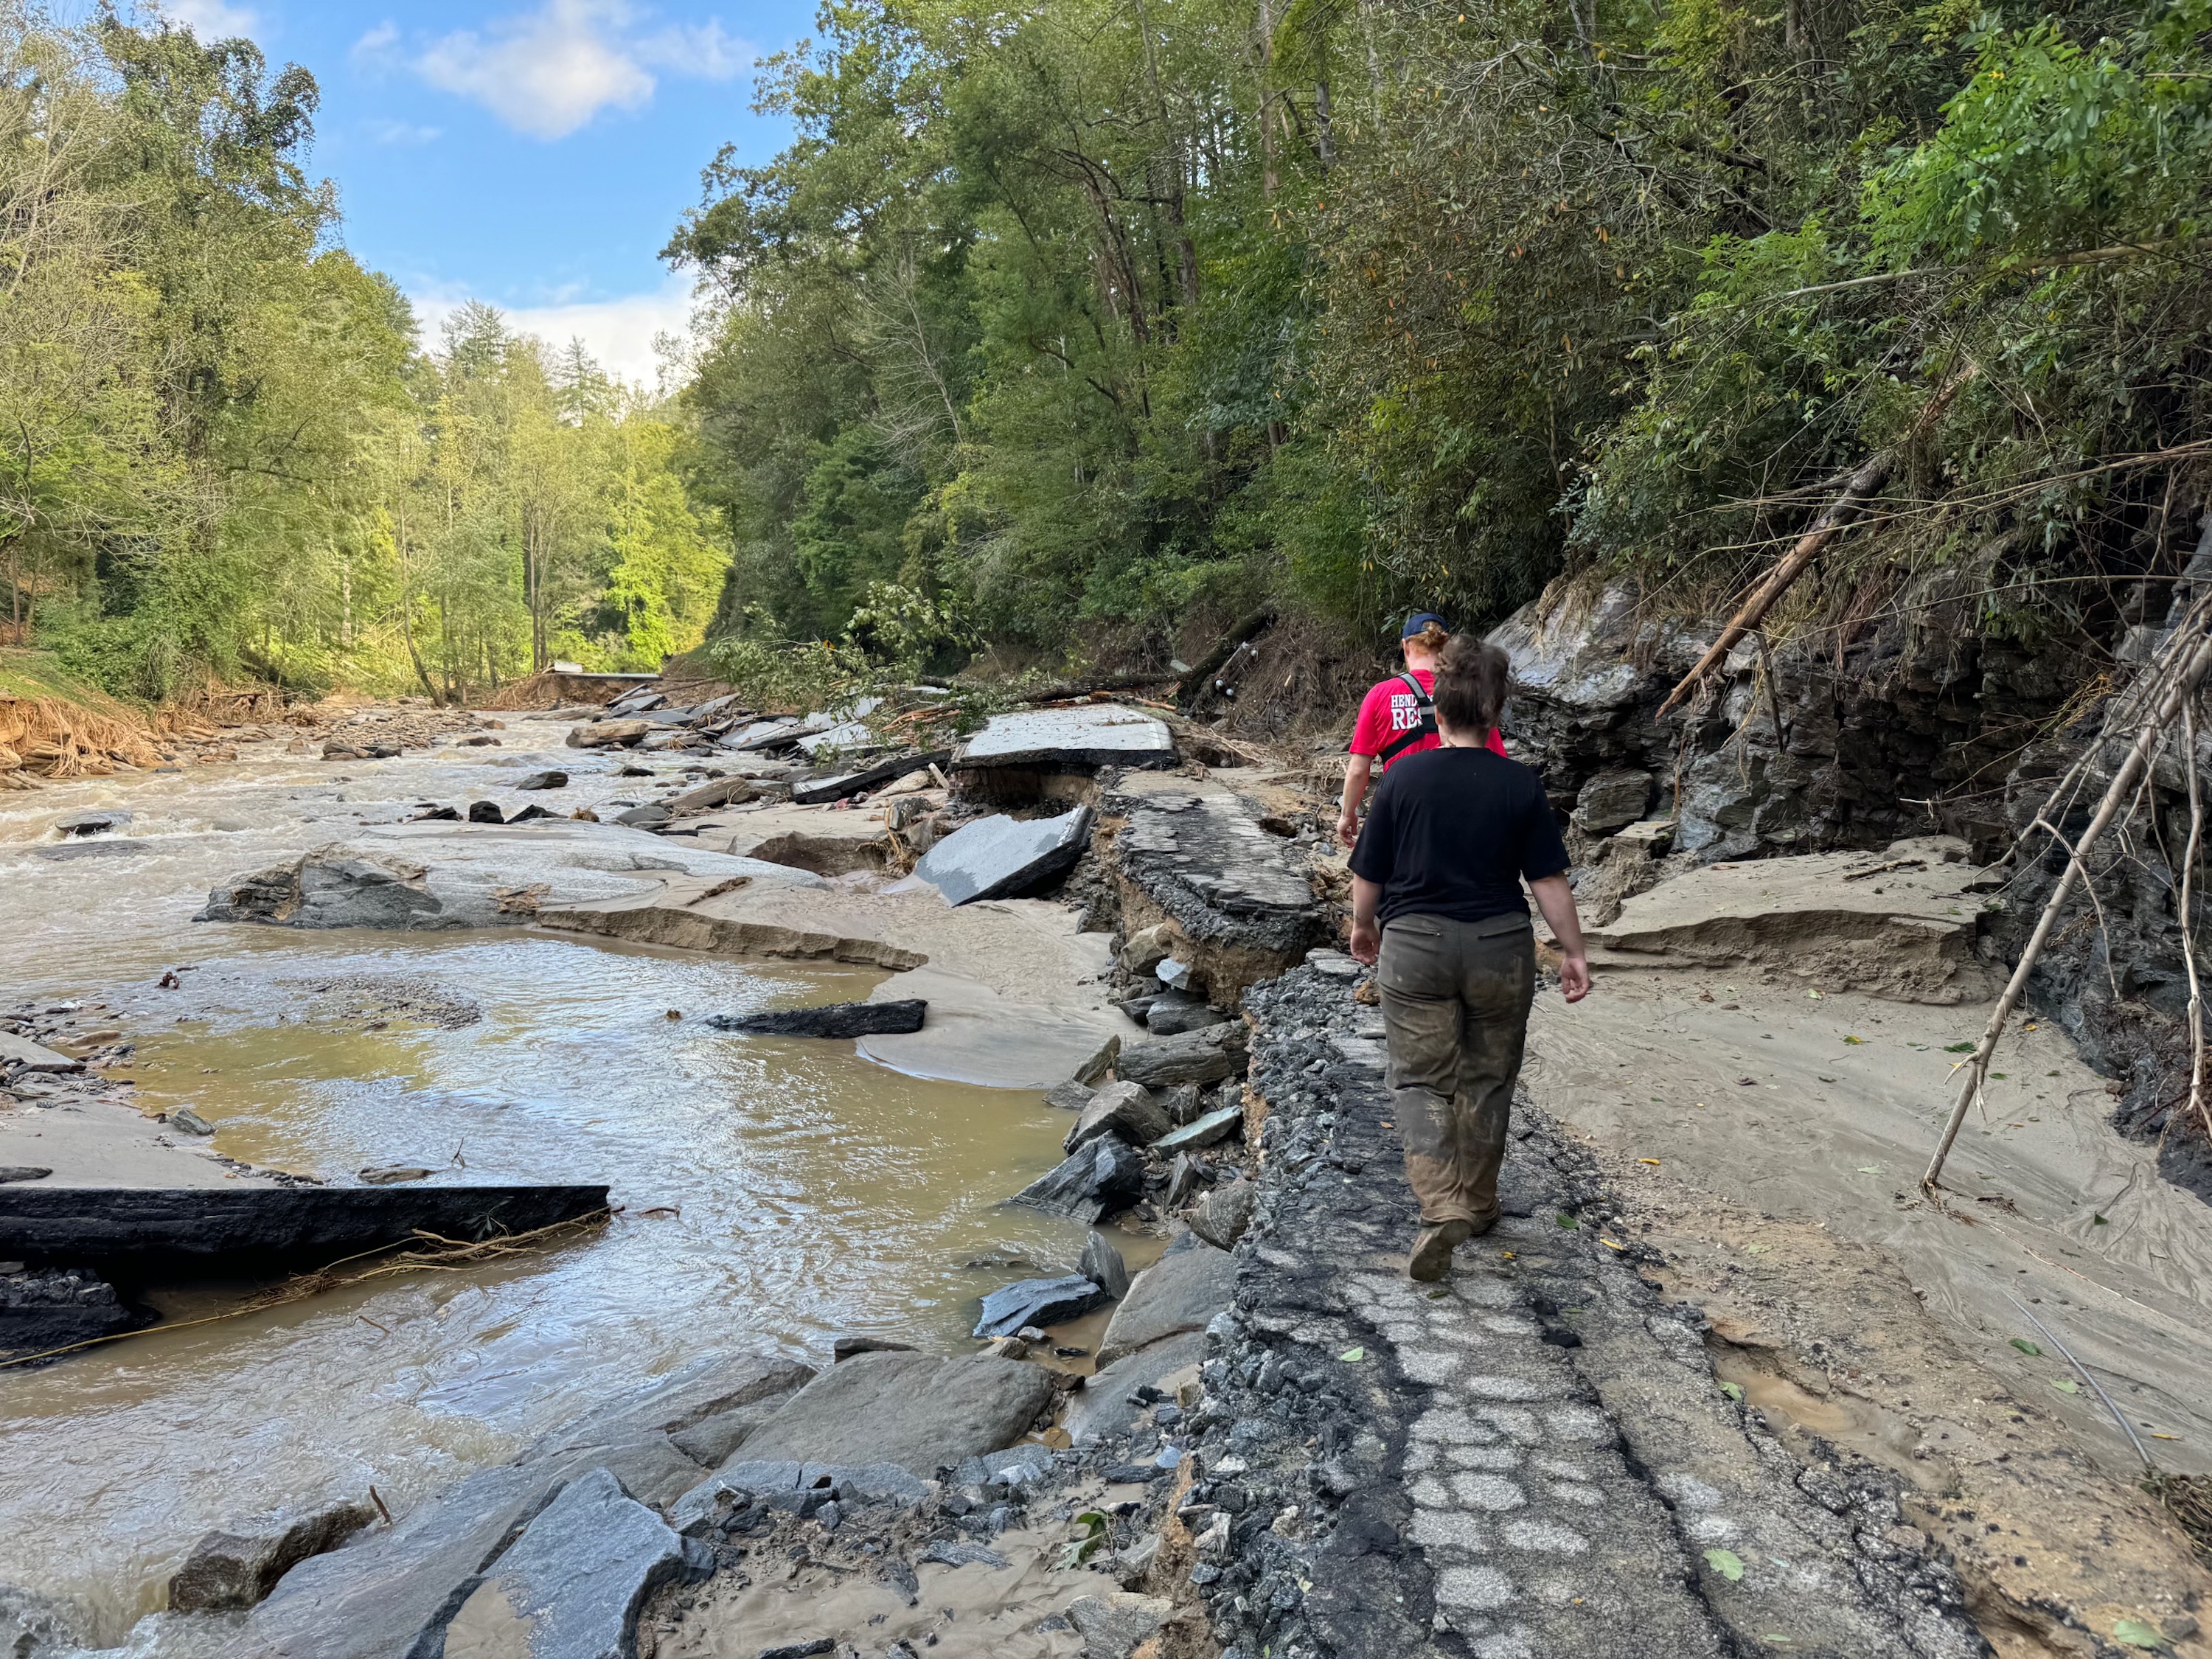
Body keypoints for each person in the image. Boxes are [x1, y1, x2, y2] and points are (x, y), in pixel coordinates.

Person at [1346, 634, 1591, 1281]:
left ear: (1436, 707)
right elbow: (1548, 882)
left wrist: (1362, 925)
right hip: (1499, 947)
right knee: (1487, 1077)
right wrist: (1573, 953)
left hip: (1415, 946)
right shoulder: (1519, 784)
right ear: (1496, 709)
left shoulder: (1402, 777)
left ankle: (1440, 1206)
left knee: (1421, 1079)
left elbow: (1369, 870)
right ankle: (1478, 1202)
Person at [1336, 613, 1506, 848]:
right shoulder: (1467, 692)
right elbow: (1498, 761)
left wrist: (1347, 813)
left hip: (1404, 816)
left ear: (1405, 646)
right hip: (1467, 817)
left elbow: (1358, 770)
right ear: (1446, 647)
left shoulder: (1380, 695)